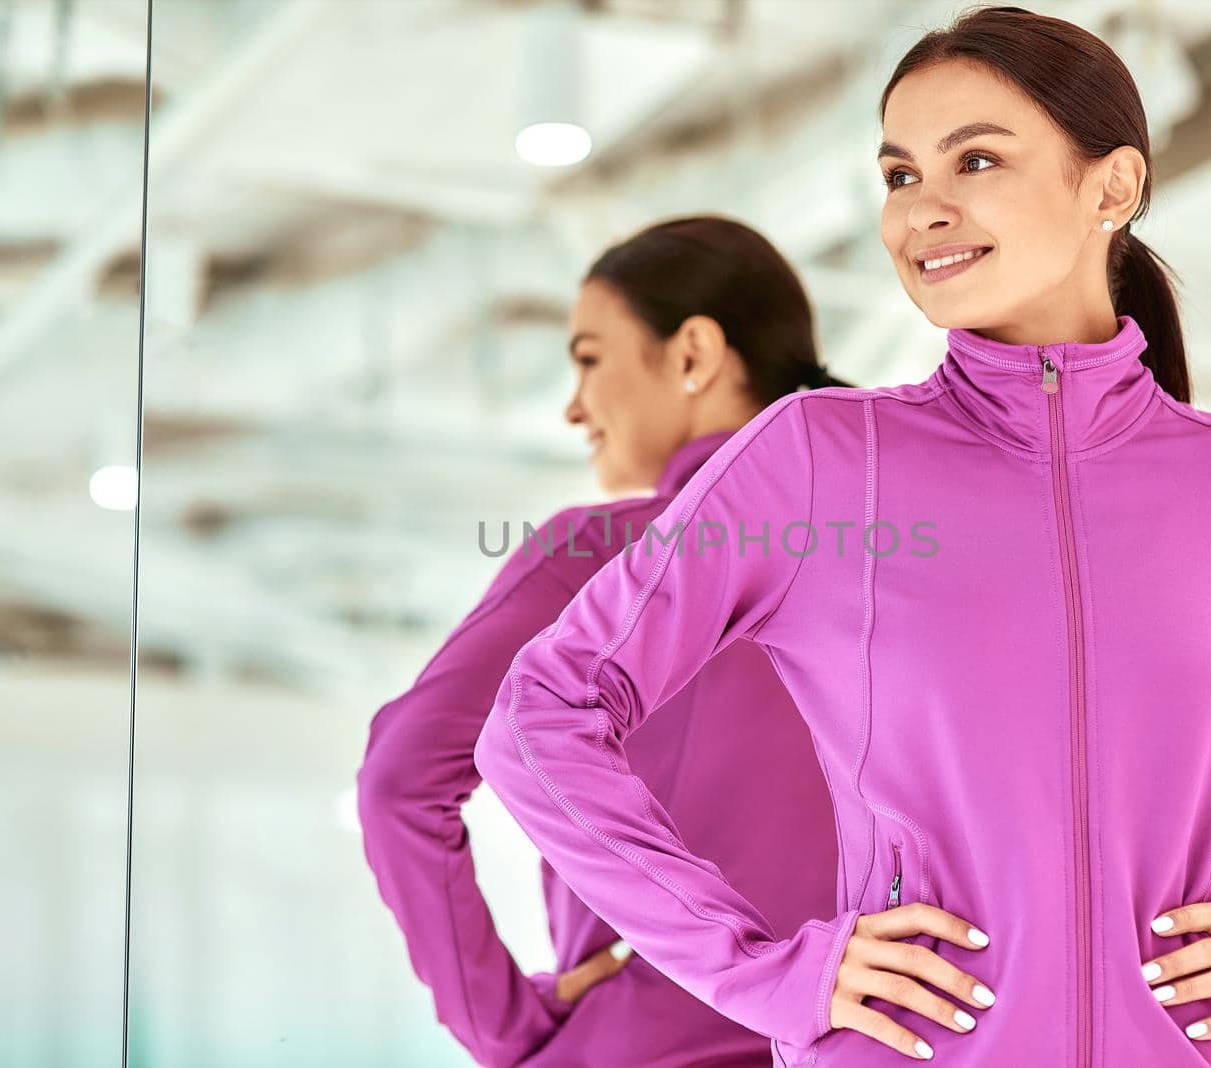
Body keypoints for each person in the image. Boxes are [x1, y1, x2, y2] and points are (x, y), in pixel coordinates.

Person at [473, 6, 1211, 1066]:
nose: (924, 209)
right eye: (898, 175)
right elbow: (540, 720)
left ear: (1111, 187)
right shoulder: (820, 464)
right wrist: (765, 970)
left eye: (974, 160)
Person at [357, 216, 846, 1066]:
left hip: (643, 1041)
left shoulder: (600, 556)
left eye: (589, 358)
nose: (575, 405)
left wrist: (506, 1025)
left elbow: (400, 782)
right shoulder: (899, 555)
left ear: (693, 355)